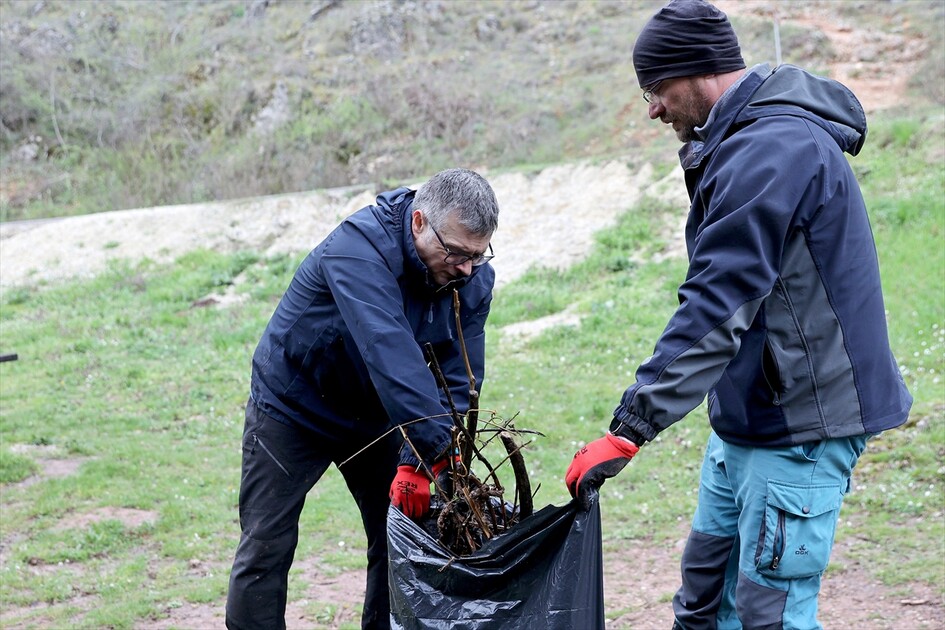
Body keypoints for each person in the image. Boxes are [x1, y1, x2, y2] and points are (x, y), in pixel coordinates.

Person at [564, 1, 912, 628]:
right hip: (747, 420)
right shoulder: (739, 143)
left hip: (801, 424)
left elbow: (718, 301)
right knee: (703, 601)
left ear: (696, 72)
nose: (653, 108)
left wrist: (629, 427)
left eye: (656, 89)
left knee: (769, 616)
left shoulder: (771, 151)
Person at [226, 167, 500, 630]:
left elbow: (457, 376)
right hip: (294, 406)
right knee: (266, 544)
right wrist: (433, 453)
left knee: (400, 537)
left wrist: (417, 463)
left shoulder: (470, 275)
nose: (467, 268)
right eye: (455, 252)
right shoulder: (357, 250)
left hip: (380, 415)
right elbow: (389, 351)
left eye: (477, 254)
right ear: (417, 222)